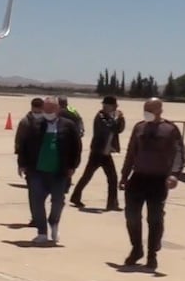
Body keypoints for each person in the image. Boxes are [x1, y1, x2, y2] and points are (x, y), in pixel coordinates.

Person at [120, 98, 185, 269]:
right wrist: (124, 175)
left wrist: (174, 175)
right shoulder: (139, 127)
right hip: (138, 177)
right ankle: (136, 249)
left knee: (155, 218)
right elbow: (131, 152)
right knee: (131, 216)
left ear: (160, 110)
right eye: (145, 108)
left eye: (150, 108)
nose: (146, 111)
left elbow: (178, 153)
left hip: (158, 179)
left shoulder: (170, 129)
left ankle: (152, 254)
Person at [17, 97, 82, 244]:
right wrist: (22, 164)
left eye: (51, 110)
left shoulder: (69, 126)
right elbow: (24, 145)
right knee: (37, 202)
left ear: (58, 110)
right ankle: (42, 232)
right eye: (45, 109)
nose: (47, 112)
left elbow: (76, 148)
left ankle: (53, 222)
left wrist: (73, 166)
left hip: (59, 172)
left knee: (58, 201)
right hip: (37, 172)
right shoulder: (35, 125)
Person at [71, 95, 126, 211]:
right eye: (113, 105)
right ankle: (75, 197)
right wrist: (116, 119)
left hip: (106, 153)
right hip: (97, 152)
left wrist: (121, 119)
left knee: (112, 178)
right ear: (107, 106)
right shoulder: (100, 116)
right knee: (87, 176)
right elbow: (109, 127)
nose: (115, 108)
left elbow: (119, 130)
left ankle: (112, 203)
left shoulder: (111, 117)